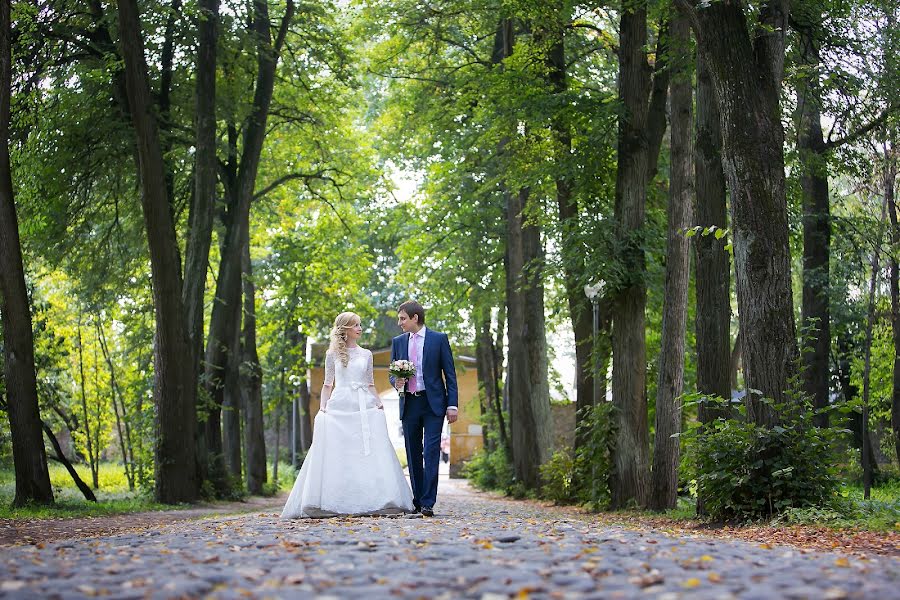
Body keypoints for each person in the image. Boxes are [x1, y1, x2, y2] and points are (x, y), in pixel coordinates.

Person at [281, 312, 414, 518]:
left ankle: (377, 498)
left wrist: (379, 403)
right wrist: (323, 407)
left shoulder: (367, 354)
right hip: (341, 403)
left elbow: (370, 384)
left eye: (360, 325)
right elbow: (327, 385)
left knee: (367, 449)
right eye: (355, 325)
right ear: (345, 330)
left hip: (363, 404)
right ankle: (332, 500)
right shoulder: (331, 354)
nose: (360, 328)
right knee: (341, 450)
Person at [390, 300, 458, 517]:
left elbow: (450, 375)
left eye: (402, 318)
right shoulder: (398, 342)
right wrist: (396, 381)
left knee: (430, 451)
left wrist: (452, 405)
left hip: (433, 404)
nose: (399, 323)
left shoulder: (439, 339)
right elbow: (392, 373)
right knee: (413, 454)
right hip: (409, 403)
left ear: (414, 318)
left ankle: (428, 503)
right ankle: (417, 501)